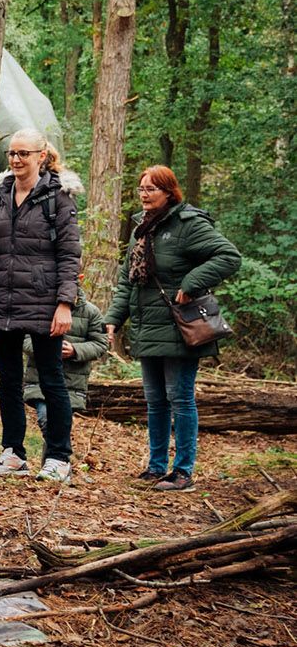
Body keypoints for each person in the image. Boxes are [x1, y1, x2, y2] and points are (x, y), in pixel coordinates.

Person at [103, 166, 241, 492]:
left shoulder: (188, 224)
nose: (144, 193)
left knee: (180, 398)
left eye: (152, 188)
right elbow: (128, 282)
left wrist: (192, 282)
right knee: (155, 400)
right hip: (147, 327)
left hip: (180, 327)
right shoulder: (142, 227)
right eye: (141, 188)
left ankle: (183, 472)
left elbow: (229, 256)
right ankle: (155, 467)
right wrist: (114, 319)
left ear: (169, 191)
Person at [0, 129, 83, 482]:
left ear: (42, 156)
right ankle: (13, 452)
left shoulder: (59, 197)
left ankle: (58, 456)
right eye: (12, 153)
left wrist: (64, 303)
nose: (15, 160)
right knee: (8, 381)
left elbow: (70, 254)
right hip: (3, 301)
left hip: (44, 301)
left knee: (51, 379)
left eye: (23, 153)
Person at [23, 287, 110, 432]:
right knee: (46, 419)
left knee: (60, 425)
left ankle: (54, 454)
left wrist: (75, 350)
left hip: (73, 384)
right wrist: (50, 350)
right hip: (40, 381)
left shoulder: (91, 312)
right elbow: (25, 341)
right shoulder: (39, 308)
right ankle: (56, 453)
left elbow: (101, 344)